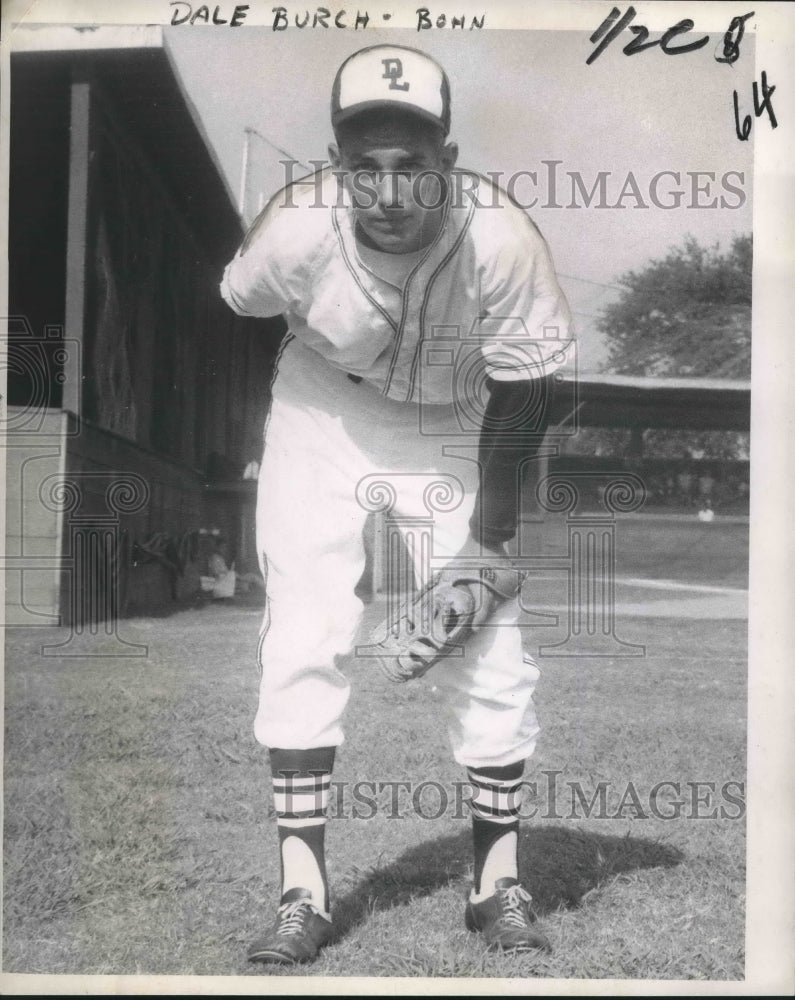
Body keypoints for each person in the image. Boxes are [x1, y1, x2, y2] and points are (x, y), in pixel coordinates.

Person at [221, 44, 573, 965]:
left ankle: (494, 885)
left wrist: (488, 542)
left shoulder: (500, 239)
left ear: (445, 164)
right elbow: (240, 301)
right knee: (303, 631)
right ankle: (303, 892)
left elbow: (529, 389)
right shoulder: (294, 231)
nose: (386, 190)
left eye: (409, 164)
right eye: (363, 166)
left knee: (487, 645)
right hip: (321, 405)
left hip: (453, 417)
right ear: (337, 169)